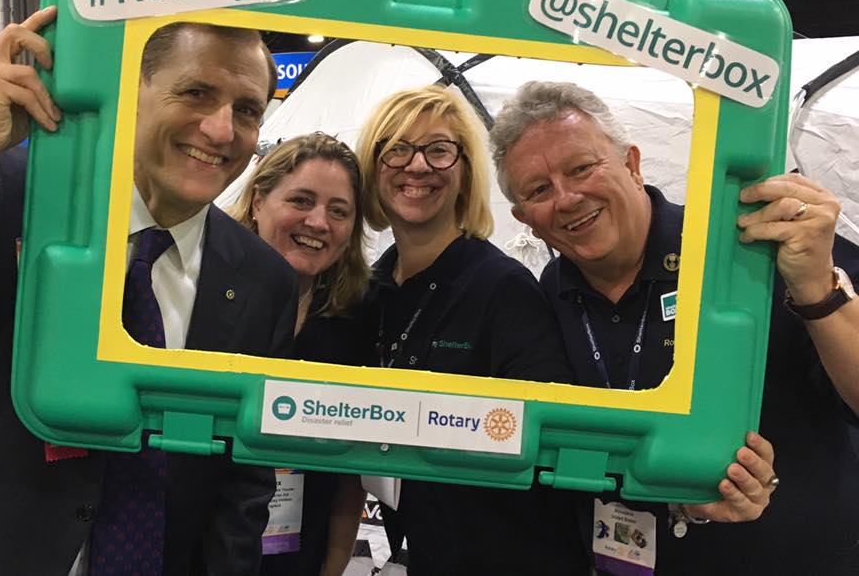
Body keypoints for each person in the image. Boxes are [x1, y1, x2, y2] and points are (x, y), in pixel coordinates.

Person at [0, 7, 300, 576]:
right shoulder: (14, 198)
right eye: (195, 93)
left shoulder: (263, 279)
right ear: (129, 90)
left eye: (247, 110)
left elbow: (243, 477)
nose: (220, 129)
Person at [491, 80, 859, 575]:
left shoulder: (748, 253)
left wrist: (817, 285)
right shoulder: (545, 294)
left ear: (633, 165)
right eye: (538, 190)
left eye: (582, 168)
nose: (567, 197)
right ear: (523, 218)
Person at [354, 85, 587, 575]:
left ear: (464, 174)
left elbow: (545, 442)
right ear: (373, 168)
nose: (417, 166)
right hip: (415, 551)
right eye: (396, 148)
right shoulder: (370, 292)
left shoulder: (503, 289)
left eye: (439, 150)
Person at [229, 132, 372, 576]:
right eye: (301, 201)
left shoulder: (353, 324)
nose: (318, 222)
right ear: (257, 203)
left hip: (298, 555)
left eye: (338, 211)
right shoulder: (210, 297)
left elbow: (349, 476)